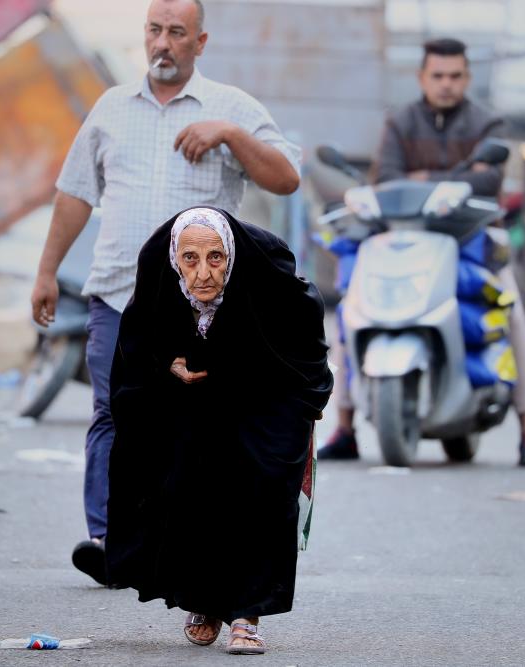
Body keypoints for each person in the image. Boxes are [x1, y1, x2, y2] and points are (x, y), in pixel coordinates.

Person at [29, 0, 302, 586]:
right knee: (112, 413)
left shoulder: (230, 108)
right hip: (117, 297)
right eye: (155, 30)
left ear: (200, 43)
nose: (164, 43)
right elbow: (77, 193)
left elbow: (285, 177)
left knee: (197, 424)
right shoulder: (110, 110)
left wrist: (229, 135)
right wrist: (47, 271)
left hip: (198, 309)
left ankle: (186, 544)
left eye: (178, 33)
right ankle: (106, 541)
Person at [105, 206, 333, 655]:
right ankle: (204, 601)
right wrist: (166, 359)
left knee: (264, 491)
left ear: (231, 255)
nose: (203, 274)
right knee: (193, 488)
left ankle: (247, 614)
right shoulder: (156, 266)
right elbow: (138, 338)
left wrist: (305, 406)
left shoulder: (268, 269)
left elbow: (306, 342)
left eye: (216, 258)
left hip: (268, 391)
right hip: (197, 396)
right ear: (175, 259)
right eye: (190, 259)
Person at [318, 37, 525, 467]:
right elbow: (384, 175)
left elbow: (488, 182)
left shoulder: (486, 123)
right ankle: (345, 426)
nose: (446, 84)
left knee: (511, 314)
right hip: (402, 235)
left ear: (467, 78)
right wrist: (444, 179)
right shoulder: (401, 121)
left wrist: (418, 176)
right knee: (352, 311)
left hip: (474, 240)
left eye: (455, 76)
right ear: (422, 78)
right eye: (438, 76)